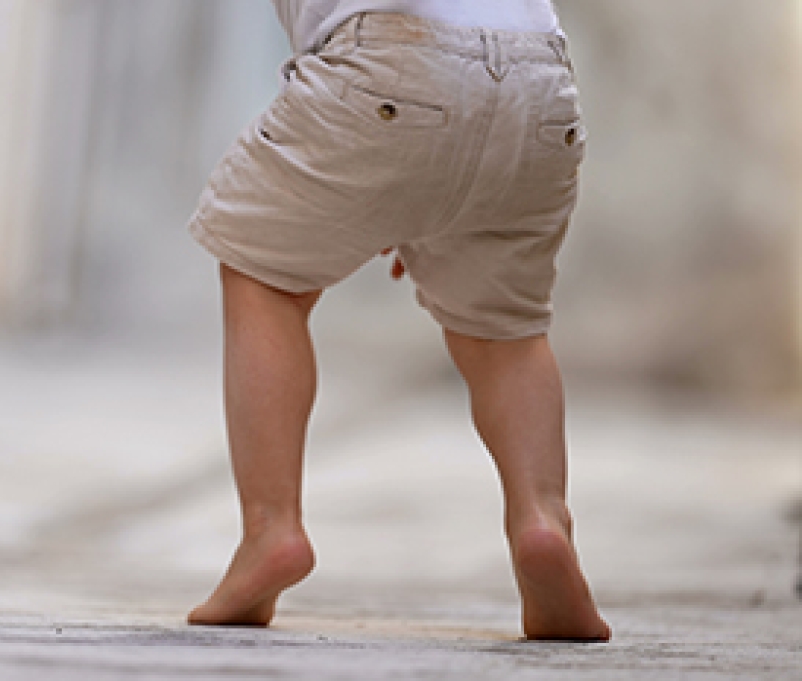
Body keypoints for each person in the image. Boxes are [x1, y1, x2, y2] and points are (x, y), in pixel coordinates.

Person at [185, 0, 611, 641]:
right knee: (505, 333)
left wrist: (392, 171)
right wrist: (420, 199)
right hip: (540, 86)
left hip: (391, 63)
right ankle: (543, 521)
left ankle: (270, 531)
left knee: (264, 275)